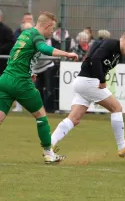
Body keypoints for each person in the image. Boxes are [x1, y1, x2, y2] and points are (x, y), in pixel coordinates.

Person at [0, 11, 79, 164]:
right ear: (48, 25)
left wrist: (30, 71)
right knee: (41, 116)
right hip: (20, 82)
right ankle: (49, 153)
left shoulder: (26, 33)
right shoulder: (37, 36)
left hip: (5, 79)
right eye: (52, 28)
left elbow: (18, 54)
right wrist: (67, 54)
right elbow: (45, 49)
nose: (52, 31)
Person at [50, 30, 125, 157]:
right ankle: (122, 147)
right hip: (89, 82)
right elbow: (94, 58)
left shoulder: (118, 54)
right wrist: (101, 79)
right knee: (117, 108)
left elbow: (94, 58)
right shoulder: (111, 44)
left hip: (83, 82)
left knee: (74, 119)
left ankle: (49, 144)